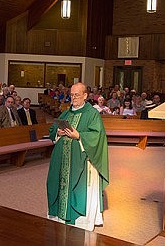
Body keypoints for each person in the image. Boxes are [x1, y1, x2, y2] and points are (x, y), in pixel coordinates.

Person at [46, 83, 109, 231]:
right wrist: (58, 132)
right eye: (72, 95)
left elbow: (97, 136)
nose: (73, 98)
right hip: (62, 161)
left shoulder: (92, 114)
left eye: (77, 95)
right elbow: (53, 128)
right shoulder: (66, 113)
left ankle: (80, 221)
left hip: (81, 162)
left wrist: (79, 135)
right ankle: (59, 215)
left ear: (85, 96)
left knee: (77, 187)